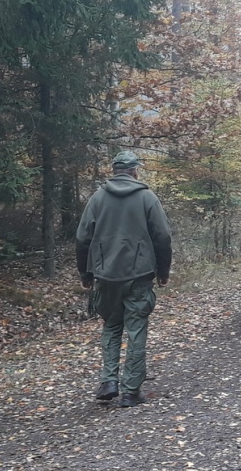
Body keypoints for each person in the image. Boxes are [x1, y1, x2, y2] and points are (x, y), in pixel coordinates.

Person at [76, 150, 172, 407]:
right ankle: (131, 391)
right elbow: (162, 236)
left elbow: (82, 238)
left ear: (115, 170)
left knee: (111, 326)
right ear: (135, 171)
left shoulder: (97, 198)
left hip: (105, 276)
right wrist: (163, 272)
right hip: (140, 275)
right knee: (136, 328)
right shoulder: (147, 197)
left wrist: (85, 274)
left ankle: (109, 381)